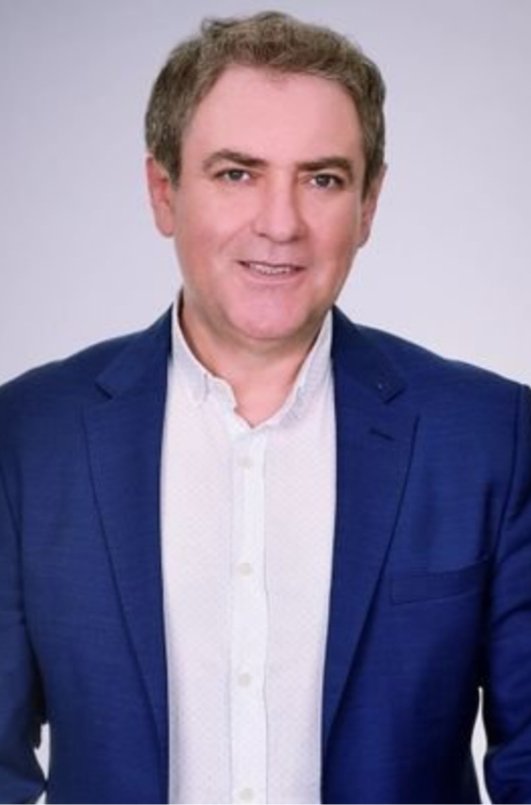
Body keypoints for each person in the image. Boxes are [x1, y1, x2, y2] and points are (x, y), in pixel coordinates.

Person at [0, 10, 530, 804]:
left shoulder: (490, 438)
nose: (280, 224)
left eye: (322, 179)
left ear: (368, 204)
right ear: (164, 192)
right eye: (236, 173)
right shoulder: (28, 438)